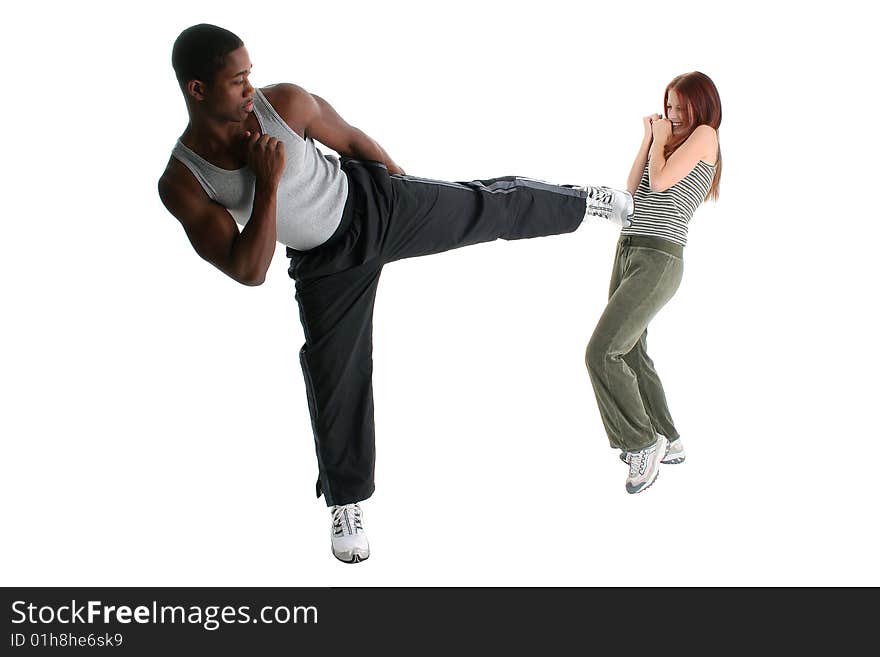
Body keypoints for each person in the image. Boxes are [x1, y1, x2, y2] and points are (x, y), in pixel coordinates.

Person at [158, 24, 634, 563]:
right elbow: (250, 270)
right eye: (237, 81)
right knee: (334, 377)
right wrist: (267, 181)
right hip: (325, 267)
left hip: (373, 206)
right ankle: (347, 504)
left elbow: (354, 140)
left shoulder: (284, 104)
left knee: (484, 207)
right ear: (198, 90)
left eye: (251, 74)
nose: (251, 90)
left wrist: (401, 189)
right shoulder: (184, 181)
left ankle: (586, 202)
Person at [585, 71, 722, 494]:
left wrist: (662, 138)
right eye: (669, 106)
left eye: (682, 107)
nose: (674, 115)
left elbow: (661, 182)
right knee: (631, 352)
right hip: (630, 249)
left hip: (660, 256)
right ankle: (671, 440)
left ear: (701, 106)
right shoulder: (666, 143)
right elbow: (633, 191)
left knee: (601, 352)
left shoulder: (705, 135)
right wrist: (648, 139)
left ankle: (642, 442)